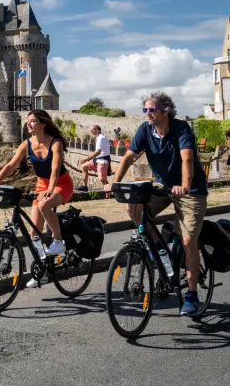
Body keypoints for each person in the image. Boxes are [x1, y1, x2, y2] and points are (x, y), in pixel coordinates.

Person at [111, 91, 208, 317]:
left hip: (190, 190)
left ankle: (191, 295)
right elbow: (129, 156)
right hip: (163, 186)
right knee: (134, 206)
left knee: (187, 241)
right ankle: (156, 250)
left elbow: (187, 158)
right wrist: (115, 183)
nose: (147, 113)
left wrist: (184, 185)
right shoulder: (145, 130)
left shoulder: (181, 128)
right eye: (145, 109)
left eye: (151, 109)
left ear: (165, 111)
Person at [0, 109, 75, 288]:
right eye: (28, 120)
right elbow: (10, 165)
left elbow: (55, 170)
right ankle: (43, 270)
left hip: (61, 184)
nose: (28, 123)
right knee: (34, 233)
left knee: (45, 205)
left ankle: (58, 241)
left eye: (32, 121)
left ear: (43, 124)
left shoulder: (55, 143)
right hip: (42, 185)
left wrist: (49, 190)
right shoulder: (27, 144)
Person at [78, 124, 111, 193]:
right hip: (98, 160)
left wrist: (86, 159)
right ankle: (85, 187)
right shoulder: (99, 137)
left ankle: (109, 194)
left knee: (102, 179)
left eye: (92, 130)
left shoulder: (101, 138)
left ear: (97, 130)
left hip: (102, 161)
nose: (91, 132)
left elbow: (98, 152)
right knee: (84, 167)